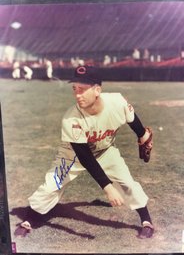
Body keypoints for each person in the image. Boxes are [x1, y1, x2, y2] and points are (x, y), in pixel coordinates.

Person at [18, 65, 154, 239]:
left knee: (128, 183)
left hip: (106, 151)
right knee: (51, 185)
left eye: (82, 89)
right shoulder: (71, 118)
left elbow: (132, 119)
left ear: (97, 90)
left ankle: (146, 221)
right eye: (74, 88)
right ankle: (29, 219)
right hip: (72, 155)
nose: (77, 94)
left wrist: (143, 135)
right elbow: (85, 156)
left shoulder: (117, 101)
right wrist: (108, 187)